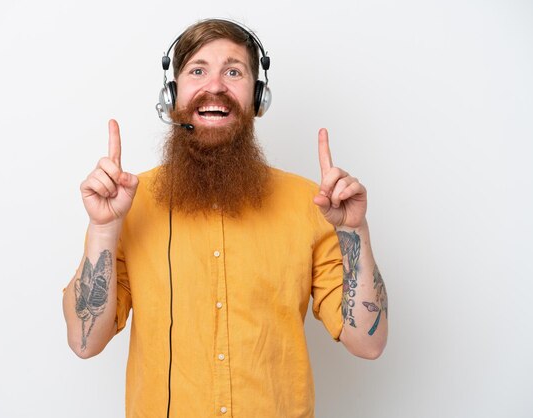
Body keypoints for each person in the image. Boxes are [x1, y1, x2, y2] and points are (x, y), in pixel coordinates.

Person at [63, 18, 388, 418]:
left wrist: (354, 232)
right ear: (172, 94)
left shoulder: (312, 204)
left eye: (233, 71)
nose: (214, 86)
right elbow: (84, 342)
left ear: (257, 97)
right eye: (197, 70)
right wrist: (103, 228)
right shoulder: (128, 204)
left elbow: (367, 343)